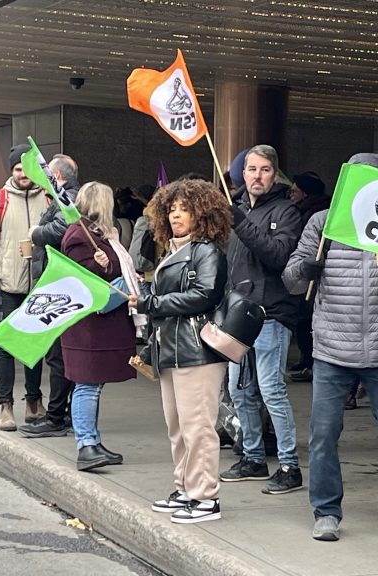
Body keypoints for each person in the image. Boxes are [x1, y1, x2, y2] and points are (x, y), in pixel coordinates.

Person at [284, 152, 378, 542]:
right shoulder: (324, 222)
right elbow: (292, 278)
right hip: (332, 347)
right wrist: (304, 270)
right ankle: (326, 510)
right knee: (323, 435)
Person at [136, 179, 232, 523]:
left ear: (202, 213)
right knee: (178, 426)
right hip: (173, 348)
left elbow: (205, 294)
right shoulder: (176, 251)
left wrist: (152, 302)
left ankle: (205, 497)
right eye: (171, 208)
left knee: (197, 427)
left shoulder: (207, 251)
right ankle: (185, 489)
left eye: (184, 208)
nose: (176, 214)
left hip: (196, 349)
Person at [218, 144, 304, 495]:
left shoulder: (287, 211)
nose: (257, 176)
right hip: (237, 315)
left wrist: (239, 221)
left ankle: (289, 465)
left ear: (275, 173)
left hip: (270, 314)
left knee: (271, 390)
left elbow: (277, 256)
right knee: (240, 391)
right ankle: (253, 457)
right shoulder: (234, 208)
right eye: (251, 169)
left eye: (264, 169)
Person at [58, 182, 140, 471]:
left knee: (92, 385)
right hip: (88, 328)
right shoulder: (81, 236)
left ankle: (92, 441)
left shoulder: (97, 235)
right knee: (87, 385)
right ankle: (86, 446)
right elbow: (85, 283)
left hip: (94, 329)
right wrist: (106, 269)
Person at [0, 144, 50, 431]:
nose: (23, 174)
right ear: (11, 171)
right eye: (18, 169)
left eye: (27, 168)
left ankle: (34, 402)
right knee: (7, 348)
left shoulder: (47, 199)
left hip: (40, 286)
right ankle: (5, 405)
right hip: (9, 286)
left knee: (34, 347)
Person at [19, 153, 80, 438]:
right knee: (58, 355)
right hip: (56, 282)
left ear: (57, 177)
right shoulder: (64, 196)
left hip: (59, 284)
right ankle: (60, 412)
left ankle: (57, 416)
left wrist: (36, 232)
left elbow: (63, 227)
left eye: (46, 176)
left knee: (58, 356)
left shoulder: (69, 198)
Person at [286, 171, 330, 383]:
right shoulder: (305, 211)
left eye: (294, 191)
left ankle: (310, 362)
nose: (291, 195)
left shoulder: (318, 215)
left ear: (304, 193)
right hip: (305, 270)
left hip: (320, 277)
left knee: (307, 321)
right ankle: (307, 360)